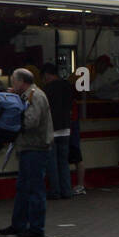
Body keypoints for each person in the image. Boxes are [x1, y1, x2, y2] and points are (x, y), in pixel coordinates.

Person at [0, 68, 52, 237]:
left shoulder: (35, 96)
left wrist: (12, 116)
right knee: (22, 187)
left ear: (22, 82)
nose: (12, 85)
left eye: (14, 81)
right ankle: (19, 224)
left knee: (34, 188)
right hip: (28, 147)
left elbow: (31, 121)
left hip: (35, 147)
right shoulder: (28, 95)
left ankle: (36, 227)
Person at [43, 63, 75, 199]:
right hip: (66, 128)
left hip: (52, 129)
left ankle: (55, 191)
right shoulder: (68, 86)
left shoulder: (47, 89)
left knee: (52, 163)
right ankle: (67, 190)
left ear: (47, 75)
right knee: (63, 162)